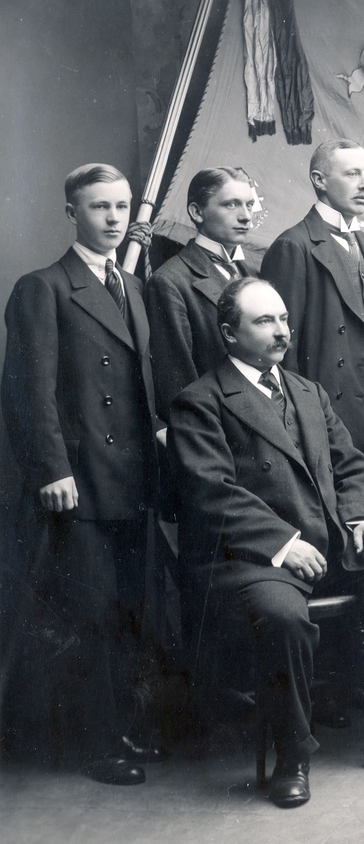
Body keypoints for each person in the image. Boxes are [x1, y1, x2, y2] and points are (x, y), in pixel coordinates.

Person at [169, 278, 364, 809]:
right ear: (229, 333)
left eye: (284, 319)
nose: (281, 331)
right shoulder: (200, 402)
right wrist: (283, 543)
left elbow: (350, 465)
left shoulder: (308, 392)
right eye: (264, 321)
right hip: (250, 557)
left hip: (328, 542)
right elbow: (210, 493)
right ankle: (292, 756)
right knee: (283, 616)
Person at [2, 163, 160, 785]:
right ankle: (96, 743)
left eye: (121, 206)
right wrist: (51, 469)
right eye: (100, 207)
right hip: (81, 480)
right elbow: (28, 391)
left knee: (128, 610)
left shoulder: (132, 286)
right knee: (90, 613)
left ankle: (122, 727)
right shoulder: (42, 287)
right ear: (72, 213)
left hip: (133, 477)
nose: (114, 218)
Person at [259, 139, 364, 456]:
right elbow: (282, 348)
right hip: (327, 410)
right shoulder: (294, 245)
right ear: (319, 180)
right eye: (352, 174)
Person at [146, 167, 258, 413]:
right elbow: (178, 386)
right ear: (197, 212)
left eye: (249, 205)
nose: (246, 217)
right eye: (231, 205)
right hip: (218, 421)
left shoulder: (253, 270)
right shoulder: (170, 281)